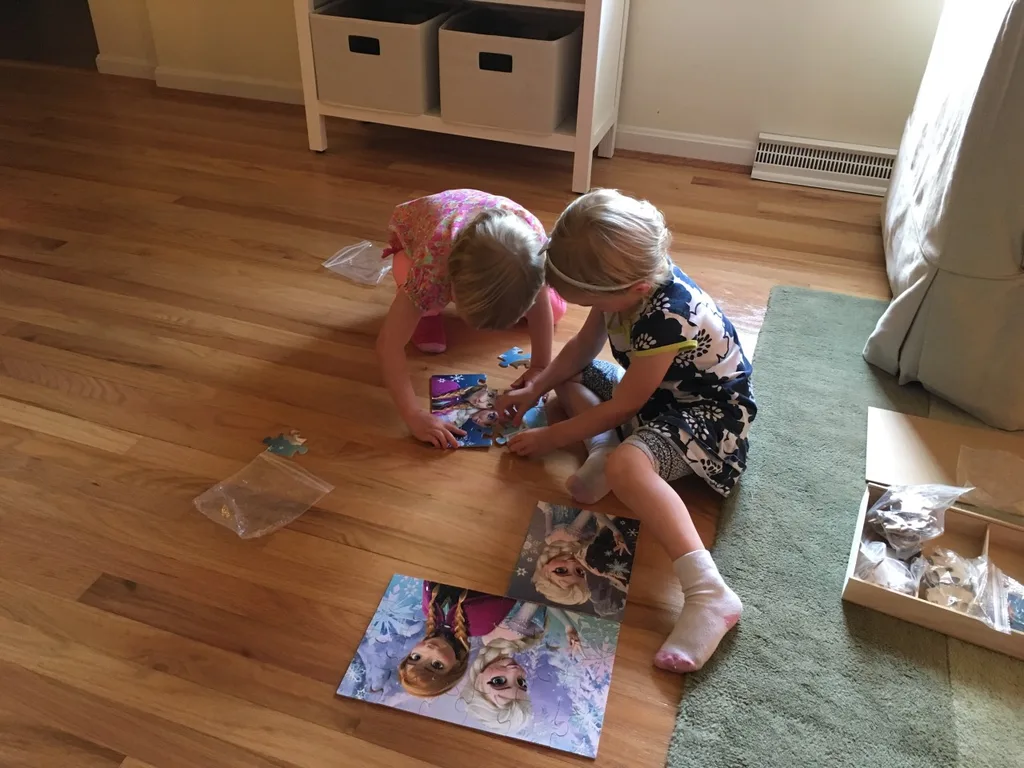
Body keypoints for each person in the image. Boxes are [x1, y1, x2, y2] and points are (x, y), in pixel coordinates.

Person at [496, 189, 756, 674]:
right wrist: (535, 387)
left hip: (705, 417)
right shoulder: (626, 279)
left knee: (628, 464)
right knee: (567, 377)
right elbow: (580, 349)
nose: (587, 308)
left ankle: (708, 592)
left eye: (589, 301)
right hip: (655, 395)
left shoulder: (666, 317)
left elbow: (626, 404)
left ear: (633, 291)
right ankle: (600, 449)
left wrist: (550, 439)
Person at [376, 189, 566, 449]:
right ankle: (427, 315)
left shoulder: (534, 247)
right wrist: (414, 416)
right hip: (420, 233)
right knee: (412, 283)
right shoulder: (431, 266)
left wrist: (540, 367)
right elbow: (388, 344)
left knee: (554, 311)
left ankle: (516, 303)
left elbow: (539, 299)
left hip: (488, 228)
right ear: (450, 281)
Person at [460, 601, 581, 732]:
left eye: (499, 681)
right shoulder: (495, 639)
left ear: (478, 682)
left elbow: (538, 594)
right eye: (521, 682)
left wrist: (568, 626)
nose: (514, 671)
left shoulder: (513, 631)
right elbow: (544, 595)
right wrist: (569, 627)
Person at [399, 582, 516, 698]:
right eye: (437, 664)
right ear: (456, 665)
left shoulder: (427, 610)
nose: (428, 649)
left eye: (416, 657)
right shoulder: (481, 625)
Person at [531, 503, 629, 607]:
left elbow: (592, 507)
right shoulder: (552, 542)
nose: (572, 564)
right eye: (579, 572)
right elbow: (548, 511)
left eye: (561, 570)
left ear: (545, 570)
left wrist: (615, 531)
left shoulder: (571, 536)